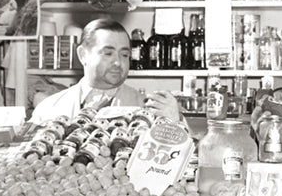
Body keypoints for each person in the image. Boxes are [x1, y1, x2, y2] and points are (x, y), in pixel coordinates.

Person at [30, 18, 181, 123]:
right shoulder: (48, 108)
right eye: (108, 53)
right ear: (83, 55)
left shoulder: (148, 108)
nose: (118, 62)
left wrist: (174, 123)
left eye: (124, 54)